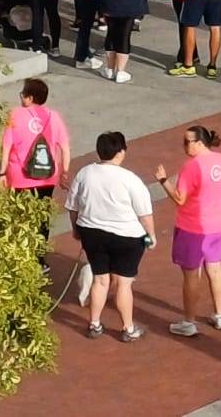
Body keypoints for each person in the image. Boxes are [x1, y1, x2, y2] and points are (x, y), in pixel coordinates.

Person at [65, 130, 156, 343]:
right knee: (124, 284)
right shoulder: (130, 179)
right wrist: (151, 235)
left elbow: (72, 206)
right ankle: (128, 327)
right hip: (127, 237)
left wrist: (76, 229)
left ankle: (94, 323)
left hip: (92, 233)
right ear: (120, 152)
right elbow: (144, 213)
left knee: (100, 280)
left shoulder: (84, 173)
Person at [156, 124, 221, 338]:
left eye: (186, 141)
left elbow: (180, 198)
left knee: (191, 274)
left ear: (199, 143)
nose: (184, 146)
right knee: (215, 268)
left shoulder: (192, 166)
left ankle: (189, 321)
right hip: (218, 224)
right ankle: (219, 314)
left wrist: (163, 181)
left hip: (194, 227)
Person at [0, 77, 70, 206]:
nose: (21, 97)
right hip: (47, 177)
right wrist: (64, 173)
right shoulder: (54, 116)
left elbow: (6, 147)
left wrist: (2, 173)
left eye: (23, 94)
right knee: (42, 215)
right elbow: (65, 148)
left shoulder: (14, 114)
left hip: (19, 177)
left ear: (30, 98)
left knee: (20, 217)